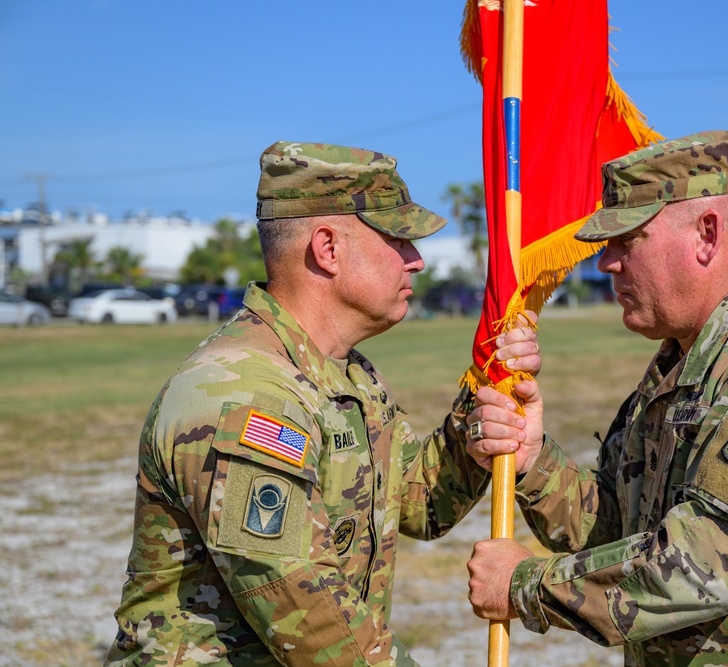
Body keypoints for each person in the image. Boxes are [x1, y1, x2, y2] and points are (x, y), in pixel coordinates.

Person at [104, 142, 541, 667]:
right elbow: (309, 617)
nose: (417, 260)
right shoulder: (243, 393)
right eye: (398, 238)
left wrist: (479, 414)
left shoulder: (348, 373)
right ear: (327, 248)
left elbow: (419, 505)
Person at [464, 131, 728, 666]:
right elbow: (623, 529)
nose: (605, 264)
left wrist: (528, 584)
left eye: (627, 241)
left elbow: (708, 560)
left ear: (706, 235)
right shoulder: (678, 366)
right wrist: (533, 462)